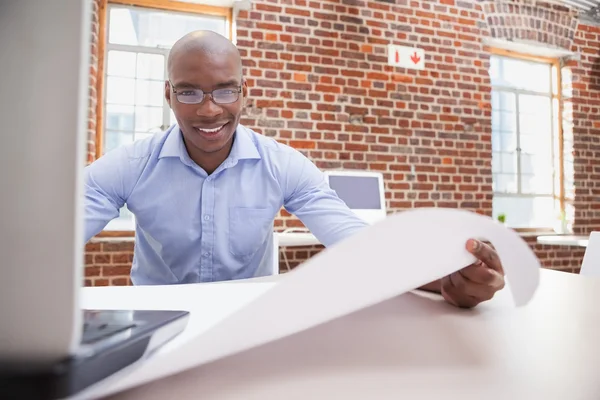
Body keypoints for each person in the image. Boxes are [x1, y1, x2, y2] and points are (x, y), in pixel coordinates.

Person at [84, 30, 505, 308]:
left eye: (225, 90)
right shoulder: (132, 165)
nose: (209, 109)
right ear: (168, 96)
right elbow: (52, 235)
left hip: (245, 326)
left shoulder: (282, 165)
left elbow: (358, 244)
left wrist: (446, 276)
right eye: (189, 92)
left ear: (244, 93)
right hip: (157, 324)